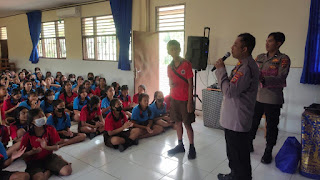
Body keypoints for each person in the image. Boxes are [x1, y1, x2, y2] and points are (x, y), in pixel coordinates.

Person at [214, 33, 259, 180]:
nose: (231, 48)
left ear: (244, 49)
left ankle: (238, 176)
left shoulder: (246, 68)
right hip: (234, 118)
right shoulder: (243, 64)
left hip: (237, 121)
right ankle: (234, 175)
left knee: (238, 155)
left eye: (235, 45)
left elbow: (229, 91)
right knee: (235, 154)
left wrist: (221, 70)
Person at [249, 32, 291, 164]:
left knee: (272, 126)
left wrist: (262, 78)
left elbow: (281, 78)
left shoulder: (283, 59)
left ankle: (268, 151)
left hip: (273, 99)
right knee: (252, 123)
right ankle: (248, 144)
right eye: (266, 41)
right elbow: (251, 73)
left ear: (278, 43)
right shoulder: (260, 57)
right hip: (257, 97)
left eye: (270, 41)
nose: (267, 43)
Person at [20, 108, 72, 179]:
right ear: (32, 121)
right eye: (39, 117)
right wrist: (32, 152)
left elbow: (56, 147)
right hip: (34, 161)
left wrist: (46, 147)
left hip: (48, 157)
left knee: (67, 171)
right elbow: (22, 156)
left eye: (43, 115)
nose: (43, 118)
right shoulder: (27, 135)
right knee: (40, 178)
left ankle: (51, 166)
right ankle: (49, 170)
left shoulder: (50, 129)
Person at [166, 40, 196, 159]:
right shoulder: (169, 67)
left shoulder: (186, 64)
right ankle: (180, 145)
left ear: (179, 49)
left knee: (187, 124)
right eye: (171, 49)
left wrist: (190, 101)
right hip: (174, 99)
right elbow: (170, 81)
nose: (174, 51)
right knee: (177, 123)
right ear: (168, 51)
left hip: (184, 100)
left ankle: (192, 147)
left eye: (176, 48)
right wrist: (171, 85)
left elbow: (190, 84)